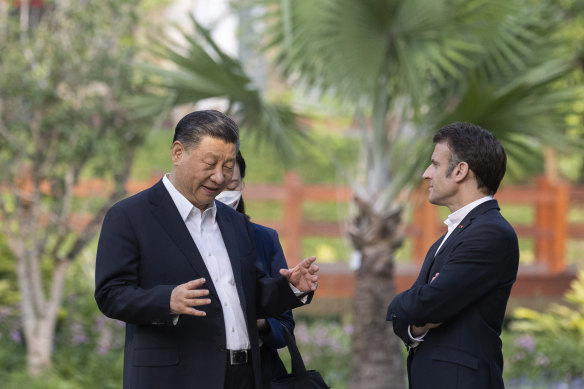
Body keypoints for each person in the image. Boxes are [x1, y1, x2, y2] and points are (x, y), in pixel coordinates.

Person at [94, 110, 319, 389]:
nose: (219, 177)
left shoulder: (234, 222)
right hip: (175, 379)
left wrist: (290, 288)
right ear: (178, 153)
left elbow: (246, 295)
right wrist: (168, 300)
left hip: (247, 376)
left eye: (227, 167)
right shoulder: (130, 215)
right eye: (210, 164)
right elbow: (110, 294)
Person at [386, 122, 519, 389]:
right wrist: (418, 326)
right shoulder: (446, 239)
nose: (426, 174)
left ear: (460, 171)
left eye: (435, 164)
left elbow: (427, 303)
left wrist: (398, 305)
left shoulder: (491, 233)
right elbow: (415, 314)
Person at [216, 150, 293, 388]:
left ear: (242, 186)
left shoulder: (264, 239)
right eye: (216, 186)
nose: (223, 193)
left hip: (257, 373)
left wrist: (262, 322)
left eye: (232, 186)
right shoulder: (182, 239)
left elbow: (285, 328)